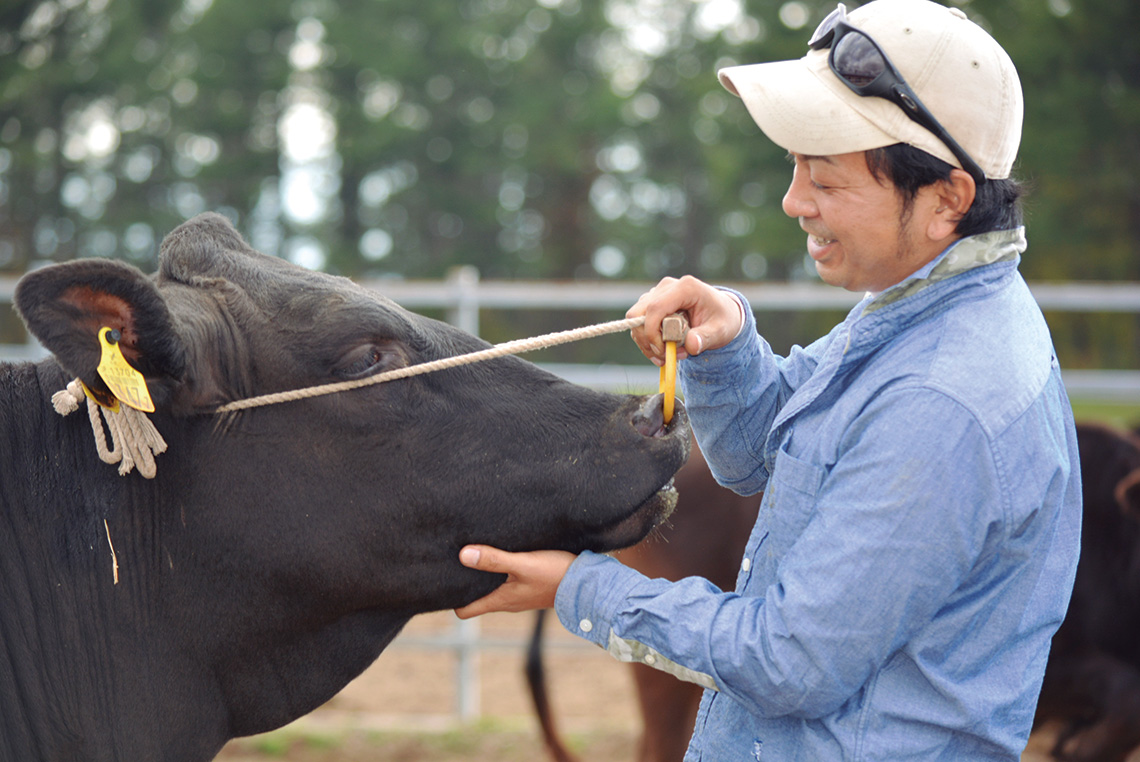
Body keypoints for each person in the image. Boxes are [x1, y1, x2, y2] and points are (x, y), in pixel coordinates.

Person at [455, 0, 1082, 758]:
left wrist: (579, 588)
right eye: (796, 166)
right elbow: (763, 457)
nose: (794, 202)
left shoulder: (941, 400)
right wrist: (727, 347)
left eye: (828, 180)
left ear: (947, 199)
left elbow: (790, 663)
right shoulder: (918, 308)